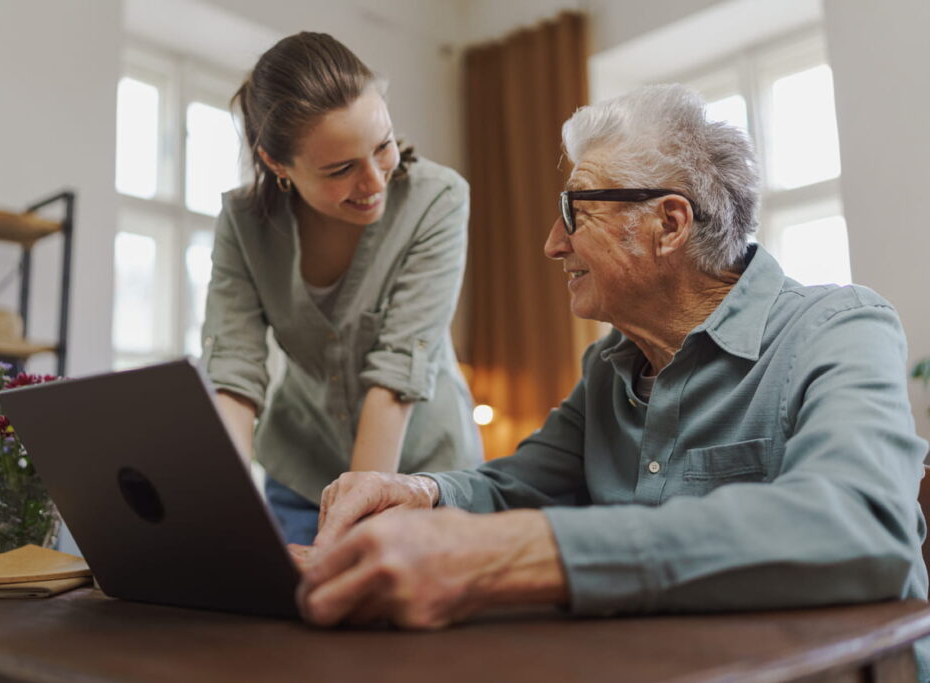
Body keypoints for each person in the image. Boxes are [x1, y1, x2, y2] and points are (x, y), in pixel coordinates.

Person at [296, 84, 930, 672]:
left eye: (574, 212)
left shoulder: (840, 328)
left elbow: (861, 526)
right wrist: (421, 492)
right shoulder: (609, 366)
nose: (552, 244)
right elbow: (518, 487)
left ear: (669, 224)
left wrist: (517, 556)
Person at [200, 32, 482, 545]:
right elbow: (234, 375)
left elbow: (397, 373)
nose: (374, 181)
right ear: (277, 164)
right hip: (302, 476)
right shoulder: (243, 223)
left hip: (428, 480)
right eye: (341, 169)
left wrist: (350, 532)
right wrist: (222, 510)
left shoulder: (436, 200)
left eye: (383, 147)